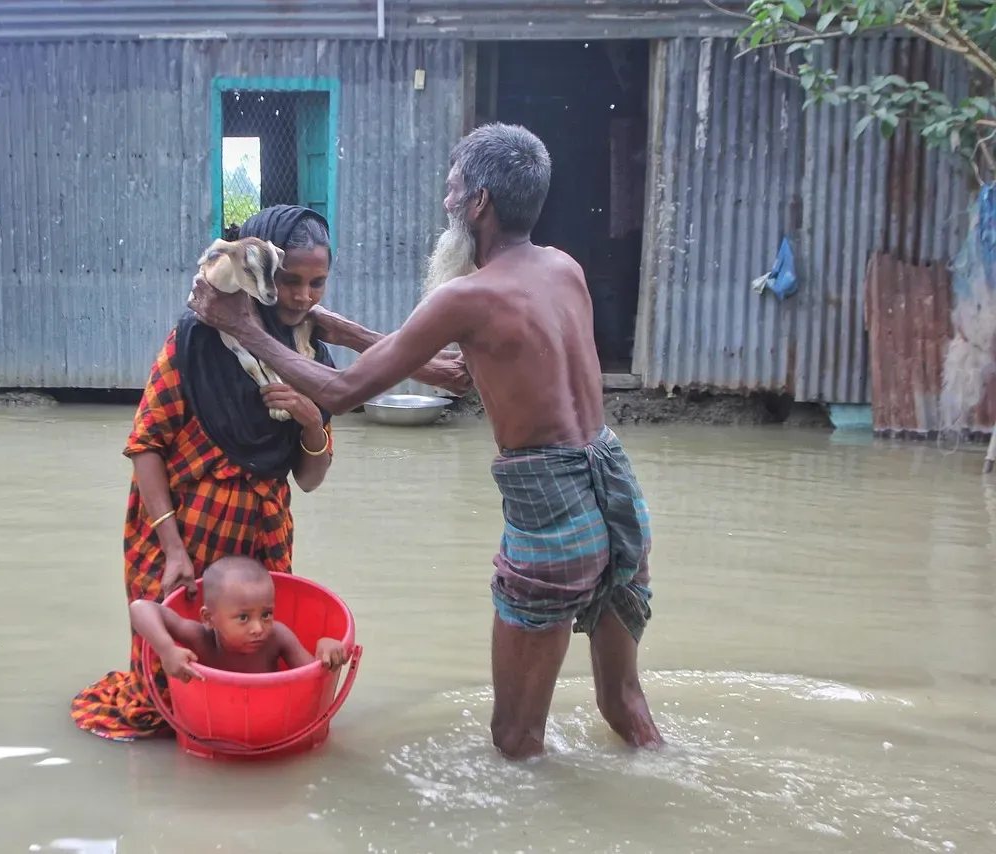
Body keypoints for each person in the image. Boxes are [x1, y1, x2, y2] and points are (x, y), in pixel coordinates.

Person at [189, 123, 663, 759]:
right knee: (622, 704)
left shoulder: (468, 296)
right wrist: (325, 321)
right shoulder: (564, 269)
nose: (445, 204)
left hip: (551, 512)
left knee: (514, 739)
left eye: (452, 189)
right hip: (617, 493)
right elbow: (461, 373)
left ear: (480, 204)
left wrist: (244, 326)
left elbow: (341, 392)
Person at [69, 205, 338, 741]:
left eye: (317, 283)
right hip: (180, 529)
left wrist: (312, 420)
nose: (303, 297)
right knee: (167, 687)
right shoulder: (195, 341)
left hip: (261, 536)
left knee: (251, 661)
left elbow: (308, 478)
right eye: (290, 281)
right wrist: (171, 547)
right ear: (260, 272)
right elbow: (146, 444)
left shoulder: (312, 358)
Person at [129, 556, 348, 682]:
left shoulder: (277, 637)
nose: (258, 628)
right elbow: (139, 608)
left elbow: (312, 679)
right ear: (208, 618)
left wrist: (326, 647)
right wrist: (167, 649)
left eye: (266, 614)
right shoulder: (200, 638)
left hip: (271, 723)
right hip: (215, 724)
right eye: (243, 617)